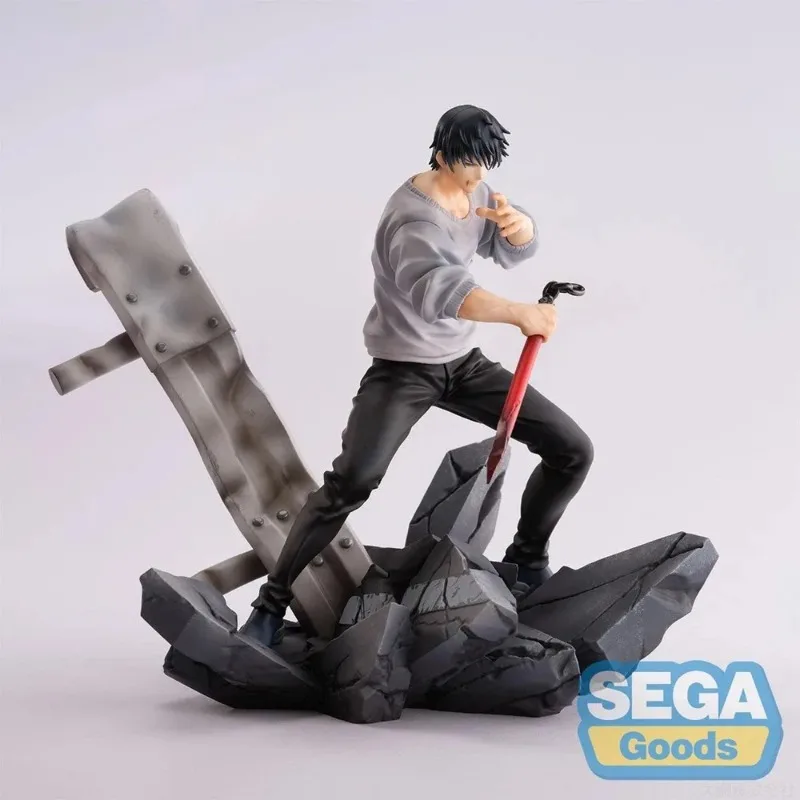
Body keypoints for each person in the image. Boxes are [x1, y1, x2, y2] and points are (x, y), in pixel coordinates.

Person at [240, 104, 594, 647]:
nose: (480, 175)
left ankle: (526, 560)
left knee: (572, 449)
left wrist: (519, 229)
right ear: (442, 155)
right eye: (471, 163)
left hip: (463, 364)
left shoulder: (473, 191)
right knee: (351, 482)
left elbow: (504, 248)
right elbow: (442, 292)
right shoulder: (413, 220)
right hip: (404, 369)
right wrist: (518, 313)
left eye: (486, 164)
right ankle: (270, 603)